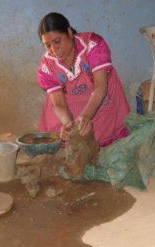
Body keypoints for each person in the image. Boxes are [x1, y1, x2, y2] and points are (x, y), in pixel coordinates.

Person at [37, 12, 130, 147]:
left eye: (57, 41)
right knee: (63, 128)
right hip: (70, 103)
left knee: (96, 132)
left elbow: (100, 87)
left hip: (99, 97)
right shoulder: (47, 65)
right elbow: (59, 104)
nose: (54, 49)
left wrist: (86, 116)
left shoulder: (93, 45)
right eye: (47, 45)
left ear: (69, 32)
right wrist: (67, 124)